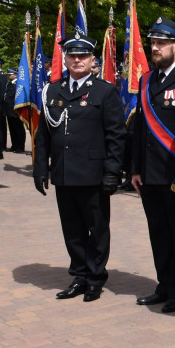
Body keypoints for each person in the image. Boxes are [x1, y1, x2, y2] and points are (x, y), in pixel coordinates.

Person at [32, 31, 126, 302]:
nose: (77, 60)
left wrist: (112, 172)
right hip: (63, 172)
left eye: (82, 55)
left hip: (93, 174)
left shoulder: (104, 91)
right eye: (72, 55)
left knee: (97, 229)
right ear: (65, 58)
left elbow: (116, 136)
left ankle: (95, 277)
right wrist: (41, 169)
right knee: (72, 230)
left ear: (92, 59)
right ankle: (80, 275)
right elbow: (43, 135)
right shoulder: (53, 90)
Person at [130, 17, 175, 314]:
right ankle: (164, 284)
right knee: (158, 231)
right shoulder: (146, 80)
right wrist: (134, 168)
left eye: (161, 43)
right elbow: (138, 130)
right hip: (148, 173)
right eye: (152, 42)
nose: (155, 48)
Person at [5, 67, 27, 153]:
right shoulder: (9, 84)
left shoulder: (18, 84)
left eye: (10, 74)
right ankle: (14, 145)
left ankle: (20, 146)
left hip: (16, 110)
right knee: (12, 129)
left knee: (18, 129)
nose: (8, 76)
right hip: (9, 110)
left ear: (15, 75)